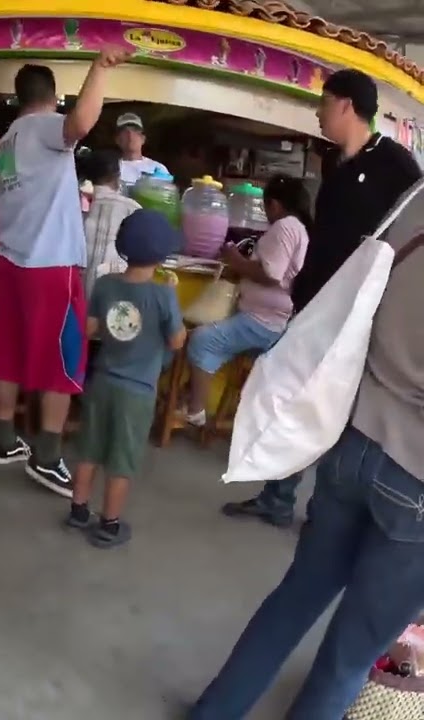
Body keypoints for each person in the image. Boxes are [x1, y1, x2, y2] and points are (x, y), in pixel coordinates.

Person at [189, 170, 424, 720]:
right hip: (417, 482)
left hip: (353, 438)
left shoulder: (415, 198)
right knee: (350, 654)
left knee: (293, 600)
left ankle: (214, 711)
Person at [219, 68, 422, 528]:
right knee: (291, 394)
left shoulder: (397, 165)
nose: (318, 111)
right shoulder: (333, 164)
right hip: (313, 303)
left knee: (340, 406)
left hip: (359, 312)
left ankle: (326, 511)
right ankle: (276, 496)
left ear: (347, 105)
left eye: (324, 102)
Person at [0, 51, 130, 498]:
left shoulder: (5, 142)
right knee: (63, 356)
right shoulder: (44, 126)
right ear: (52, 97)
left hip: (11, 261)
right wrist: (100, 68)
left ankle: (5, 439)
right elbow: (80, 124)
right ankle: (47, 458)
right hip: (49, 264)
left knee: (8, 349)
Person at [65, 210, 185, 548]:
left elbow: (89, 329)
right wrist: (170, 300)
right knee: (122, 459)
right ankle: (110, 524)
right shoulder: (164, 296)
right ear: (162, 255)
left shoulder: (105, 284)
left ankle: (77, 511)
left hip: (101, 381)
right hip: (138, 391)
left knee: (89, 449)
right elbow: (176, 341)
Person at [184, 175, 311, 429]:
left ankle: (195, 410)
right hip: (268, 318)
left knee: (202, 339)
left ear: (274, 204)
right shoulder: (298, 228)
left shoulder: (285, 226)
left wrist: (235, 260)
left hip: (264, 321)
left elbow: (270, 274)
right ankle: (194, 400)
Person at [81, 149, 140, 300]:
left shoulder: (75, 205)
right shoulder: (131, 208)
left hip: (77, 294)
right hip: (114, 299)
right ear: (117, 176)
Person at [114, 113, 168, 190]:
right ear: (117, 140)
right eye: (125, 132)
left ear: (143, 139)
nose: (130, 135)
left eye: (135, 131)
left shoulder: (158, 168)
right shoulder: (111, 170)